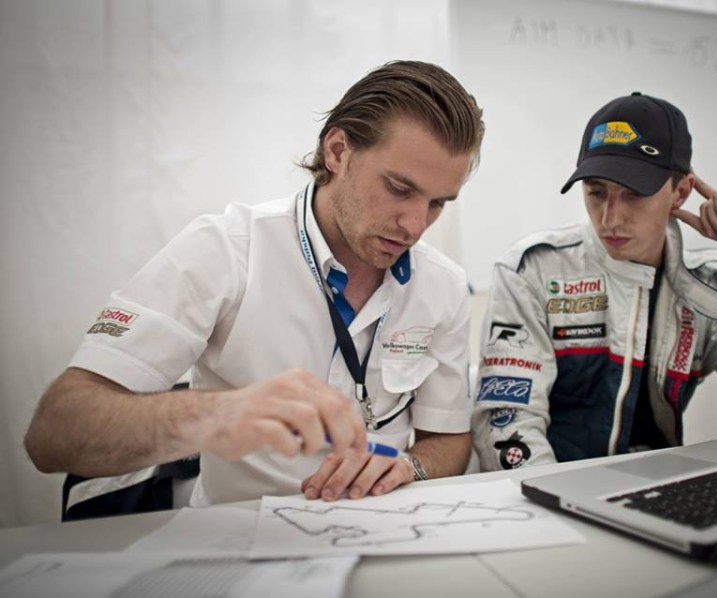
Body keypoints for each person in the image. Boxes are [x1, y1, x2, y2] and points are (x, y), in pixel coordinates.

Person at [25, 60, 485, 505]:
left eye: (437, 203)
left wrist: (413, 466)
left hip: (390, 538)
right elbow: (54, 434)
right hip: (243, 549)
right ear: (338, 151)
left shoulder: (442, 286)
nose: (415, 226)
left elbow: (447, 439)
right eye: (399, 190)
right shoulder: (226, 250)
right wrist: (217, 414)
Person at [472, 92, 717, 470]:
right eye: (596, 192)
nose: (610, 218)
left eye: (634, 195)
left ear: (681, 192)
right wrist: (554, 508)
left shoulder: (714, 284)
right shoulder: (533, 268)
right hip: (549, 498)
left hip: (654, 492)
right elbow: (509, 424)